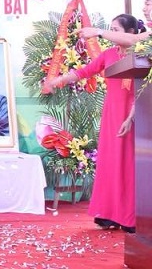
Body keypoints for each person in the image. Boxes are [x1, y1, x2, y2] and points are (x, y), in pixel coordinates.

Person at [44, 13, 141, 233]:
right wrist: (59, 80)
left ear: (131, 33)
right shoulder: (109, 55)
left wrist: (131, 116)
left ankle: (130, 216)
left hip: (134, 115)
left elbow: (143, 90)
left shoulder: (142, 55)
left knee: (129, 165)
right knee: (110, 162)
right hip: (112, 115)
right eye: (110, 29)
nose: (111, 34)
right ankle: (108, 214)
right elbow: (83, 72)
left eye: (115, 30)